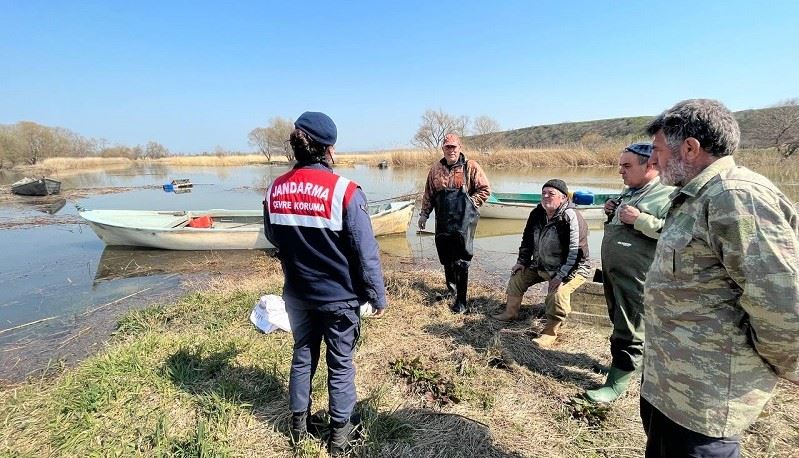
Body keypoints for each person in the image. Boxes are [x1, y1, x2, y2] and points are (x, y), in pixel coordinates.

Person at [641, 99, 799, 457]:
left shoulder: (737, 197)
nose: (654, 161)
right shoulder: (695, 196)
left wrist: (787, 366)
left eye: (658, 151)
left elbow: (782, 306)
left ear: (691, 148)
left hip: (707, 398)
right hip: (671, 386)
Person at [263, 111, 387, 456]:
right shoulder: (345, 191)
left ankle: (298, 428)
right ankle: (339, 437)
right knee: (341, 362)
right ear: (328, 148)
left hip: (298, 294)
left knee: (303, 355)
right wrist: (377, 295)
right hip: (339, 297)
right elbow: (365, 252)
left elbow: (274, 236)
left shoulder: (275, 188)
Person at [583, 143, 674, 404]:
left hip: (638, 278)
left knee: (631, 330)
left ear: (651, 166)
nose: (620, 171)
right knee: (620, 322)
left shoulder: (668, 195)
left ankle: (616, 385)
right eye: (620, 165)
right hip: (616, 275)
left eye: (627, 166)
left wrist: (640, 220)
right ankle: (621, 367)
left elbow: (676, 234)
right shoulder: (631, 191)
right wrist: (611, 212)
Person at [492, 179, 591, 348]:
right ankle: (510, 313)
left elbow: (577, 252)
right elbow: (527, 240)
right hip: (541, 264)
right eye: (543, 193)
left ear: (563, 197)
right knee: (518, 277)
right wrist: (522, 261)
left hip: (572, 268)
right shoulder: (537, 213)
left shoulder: (571, 217)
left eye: (551, 194)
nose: (546, 197)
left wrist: (561, 276)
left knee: (557, 294)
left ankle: (550, 332)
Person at [418, 133, 491, 313]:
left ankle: (462, 301)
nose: (451, 150)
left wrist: (470, 204)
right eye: (447, 147)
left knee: (461, 259)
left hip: (464, 221)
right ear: (443, 149)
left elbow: (485, 189)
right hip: (443, 220)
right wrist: (423, 215)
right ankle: (451, 291)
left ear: (460, 147)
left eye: (454, 147)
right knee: (446, 257)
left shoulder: (470, 167)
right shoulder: (435, 169)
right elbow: (429, 194)